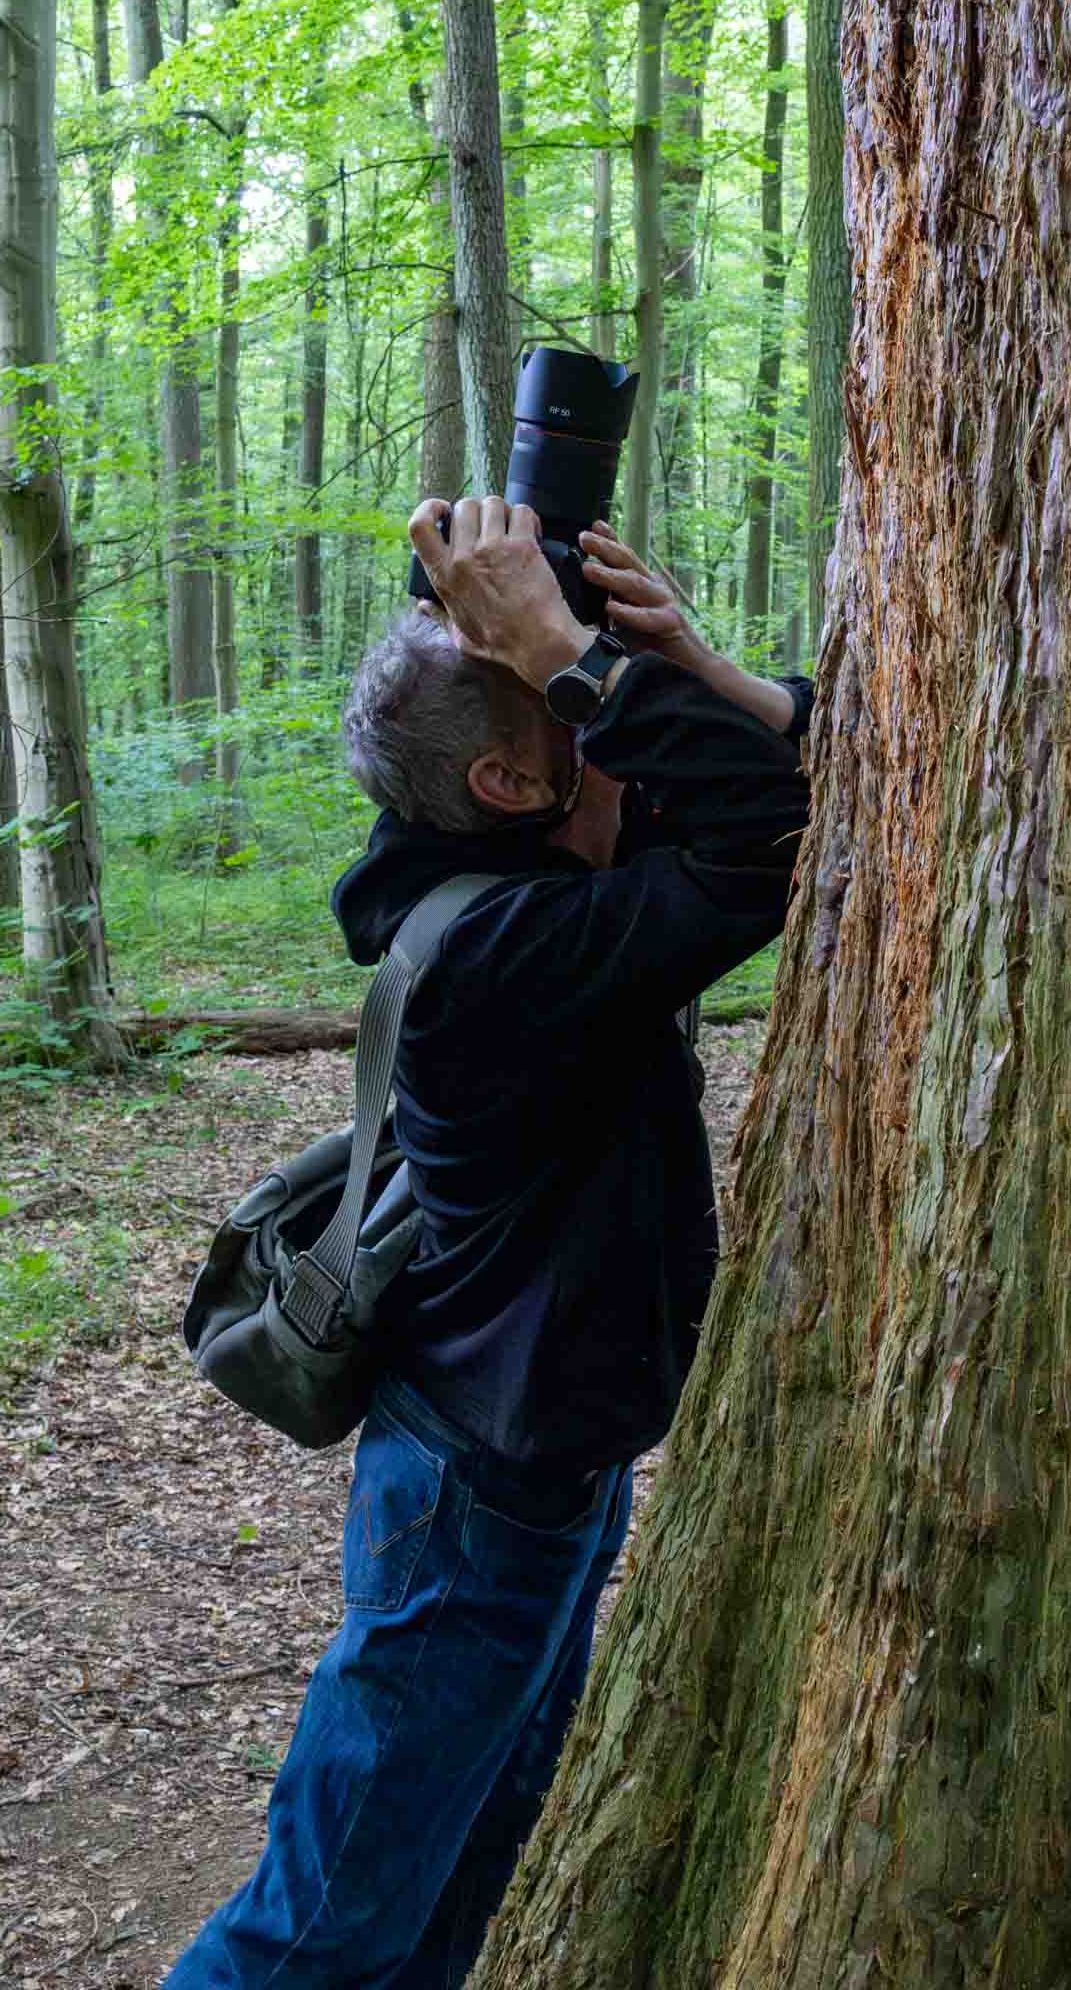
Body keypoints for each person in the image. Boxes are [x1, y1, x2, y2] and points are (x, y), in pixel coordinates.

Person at [165, 498, 812, 1990]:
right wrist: (568, 659)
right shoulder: (508, 955)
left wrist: (645, 651)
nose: (623, 763)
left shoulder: (513, 855)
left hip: (530, 1457)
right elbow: (766, 841)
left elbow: (781, 764)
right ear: (508, 780)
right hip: (477, 1490)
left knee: (468, 1853)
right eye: (583, 724)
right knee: (324, 1921)